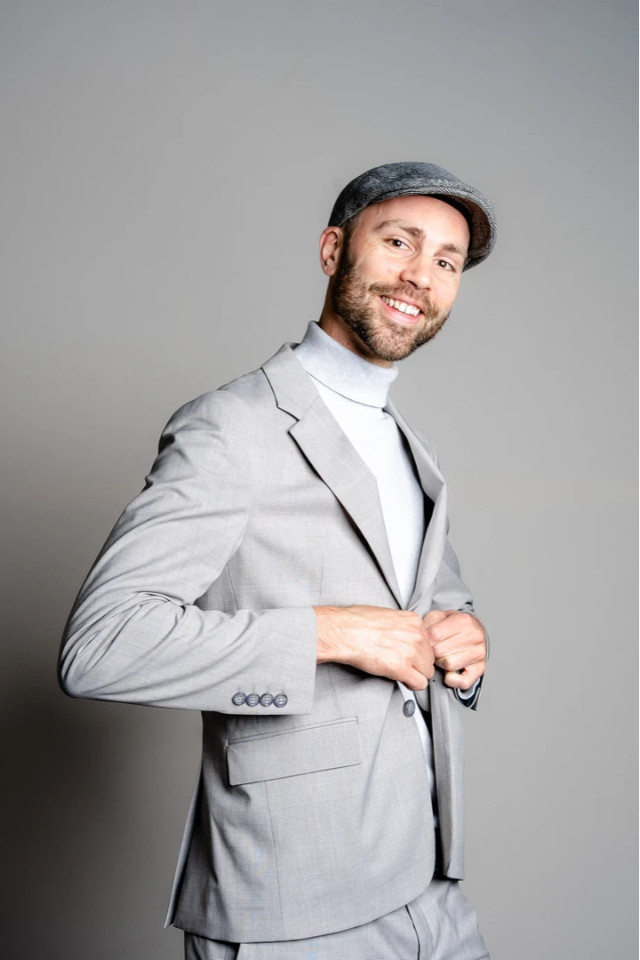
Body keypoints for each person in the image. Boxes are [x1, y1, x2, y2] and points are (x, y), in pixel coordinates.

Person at [59, 161, 496, 959]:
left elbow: (432, 601)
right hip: (292, 902)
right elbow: (101, 647)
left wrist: (464, 641)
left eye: (447, 260)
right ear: (333, 250)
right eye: (398, 242)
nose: (421, 276)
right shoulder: (231, 427)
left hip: (430, 879)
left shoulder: (410, 446)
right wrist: (330, 632)